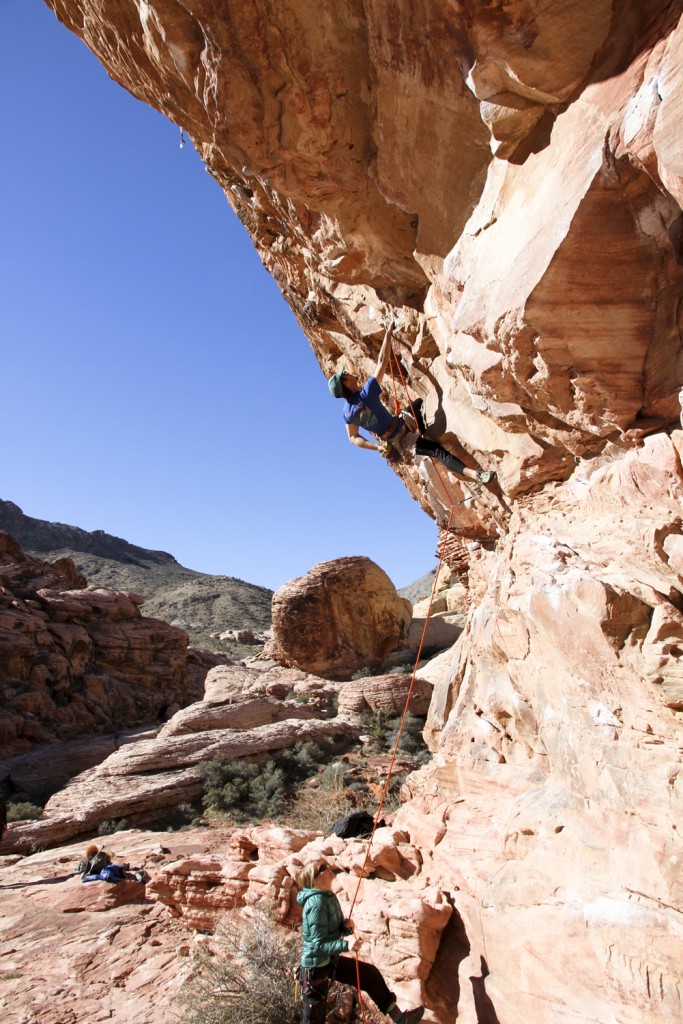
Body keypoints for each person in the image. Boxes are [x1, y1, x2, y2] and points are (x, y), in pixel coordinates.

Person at [328, 321, 495, 485]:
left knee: (419, 404)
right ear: (346, 383)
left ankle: (425, 436)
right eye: (346, 375)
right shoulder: (367, 393)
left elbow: (353, 438)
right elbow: (382, 360)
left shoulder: (347, 413)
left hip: (396, 437)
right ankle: (476, 475)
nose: (350, 373)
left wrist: (378, 447)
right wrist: (387, 334)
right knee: (436, 450)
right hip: (403, 436)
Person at [296, 859, 424, 1024]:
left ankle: (400, 1019)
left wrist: (344, 927)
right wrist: (346, 945)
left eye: (326, 864)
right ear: (314, 880)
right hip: (315, 968)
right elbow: (318, 945)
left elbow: (329, 931)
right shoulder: (316, 903)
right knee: (313, 1020)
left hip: (329, 961)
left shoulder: (327, 896)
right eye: (322, 868)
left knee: (369, 975)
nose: (328, 868)